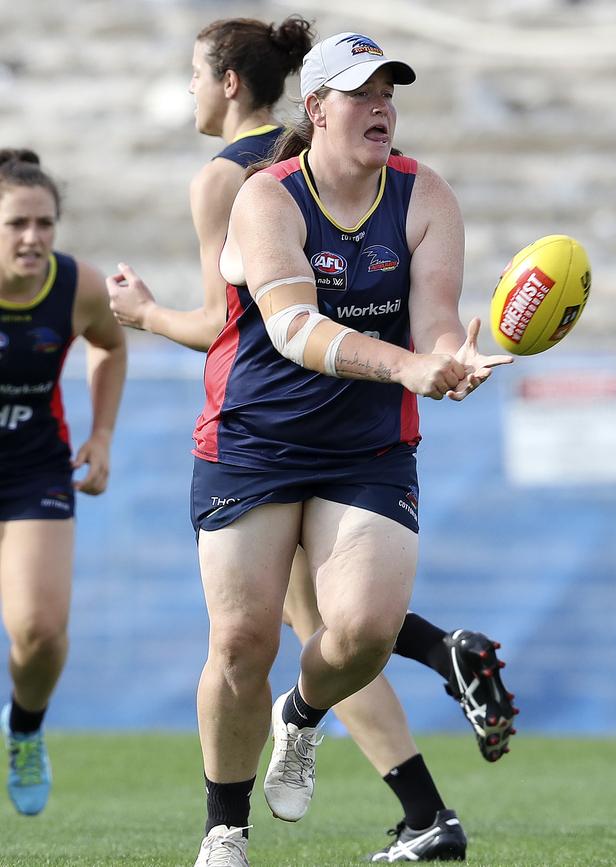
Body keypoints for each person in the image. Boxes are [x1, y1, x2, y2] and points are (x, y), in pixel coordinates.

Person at [107, 22, 515, 867]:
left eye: (390, 92)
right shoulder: (266, 195)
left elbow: (436, 321)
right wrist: (408, 365)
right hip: (253, 439)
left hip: (366, 445)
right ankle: (225, 830)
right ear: (318, 107)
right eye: (363, 92)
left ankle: (300, 715)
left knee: (363, 632)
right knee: (240, 641)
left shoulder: (426, 194)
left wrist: (448, 360)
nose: (383, 107)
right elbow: (294, 328)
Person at [0, 149, 126, 816]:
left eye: (45, 223)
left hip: (31, 470)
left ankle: (24, 727)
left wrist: (101, 434)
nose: (33, 237)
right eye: (17, 222)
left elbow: (110, 342)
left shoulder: (76, 285)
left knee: (42, 631)